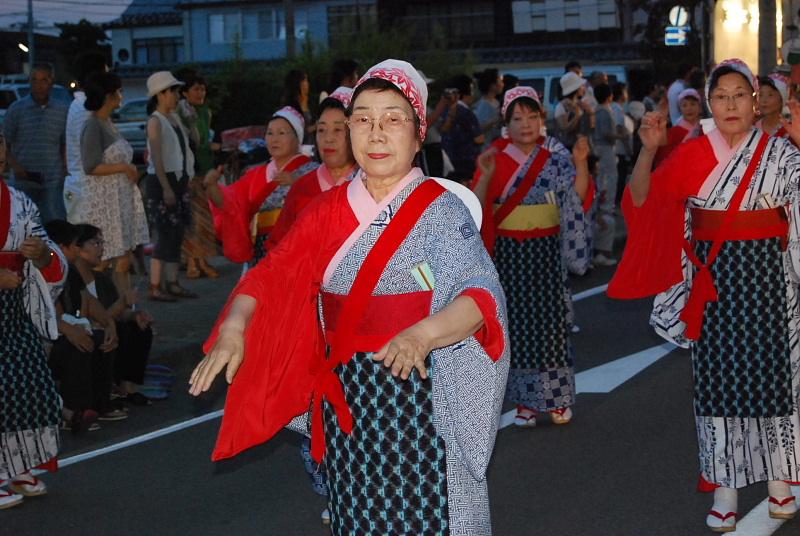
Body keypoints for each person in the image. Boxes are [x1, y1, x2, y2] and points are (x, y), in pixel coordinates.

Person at [190, 59, 509, 535]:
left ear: (419, 134)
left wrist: (422, 334)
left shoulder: (440, 211)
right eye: (362, 119)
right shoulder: (326, 210)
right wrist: (236, 326)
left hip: (419, 399)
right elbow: (270, 275)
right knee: (358, 519)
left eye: (392, 119)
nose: (375, 133)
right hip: (348, 401)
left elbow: (478, 293)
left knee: (431, 518)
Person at [608, 58, 800, 532]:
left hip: (772, 281)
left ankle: (780, 480)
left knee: (778, 379)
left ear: (756, 102)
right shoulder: (694, 153)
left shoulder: (783, 154)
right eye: (721, 96)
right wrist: (649, 152)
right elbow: (644, 202)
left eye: (740, 95)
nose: (730, 104)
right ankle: (725, 490)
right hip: (713, 285)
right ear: (709, 104)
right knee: (718, 387)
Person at [472, 86, 590, 428]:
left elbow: (575, 201)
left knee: (552, 327)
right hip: (510, 253)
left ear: (542, 119)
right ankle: (525, 402)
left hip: (546, 251)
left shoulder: (556, 158)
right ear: (506, 124)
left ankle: (556, 398)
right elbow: (479, 207)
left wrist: (581, 165)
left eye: (532, 116)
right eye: (517, 118)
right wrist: (487, 177)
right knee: (518, 329)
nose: (526, 124)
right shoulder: (495, 157)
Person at [0, 134, 67, 509]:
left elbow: (50, 256)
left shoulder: (20, 202)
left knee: (31, 385)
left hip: (12, 308)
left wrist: (42, 255)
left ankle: (17, 462)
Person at [205, 106, 317, 268]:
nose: (274, 139)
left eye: (281, 133)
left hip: (298, 252)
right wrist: (212, 185)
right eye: (270, 133)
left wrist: (298, 182)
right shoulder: (255, 175)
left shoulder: (312, 170)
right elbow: (230, 204)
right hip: (261, 255)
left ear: (297, 138)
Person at [45, 220, 125, 426]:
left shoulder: (69, 271)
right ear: (62, 247)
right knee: (77, 345)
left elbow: (88, 299)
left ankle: (101, 403)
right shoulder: (41, 273)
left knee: (101, 339)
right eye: (73, 245)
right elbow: (49, 313)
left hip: (69, 329)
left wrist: (109, 323)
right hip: (47, 340)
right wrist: (72, 331)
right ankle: (75, 410)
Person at [76, 71, 149, 296]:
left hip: (120, 199)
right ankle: (106, 309)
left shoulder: (107, 123)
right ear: (108, 95)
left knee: (122, 259)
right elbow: (91, 165)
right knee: (103, 259)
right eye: (118, 91)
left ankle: (126, 309)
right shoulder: (93, 125)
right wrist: (124, 168)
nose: (121, 96)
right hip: (105, 202)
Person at [262, 88, 357, 250]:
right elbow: (278, 247)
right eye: (321, 130)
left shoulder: (374, 187)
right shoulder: (302, 187)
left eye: (338, 130)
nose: (328, 139)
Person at [73, 223, 155, 405]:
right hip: (85, 334)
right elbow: (96, 321)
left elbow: (115, 314)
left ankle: (127, 387)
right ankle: (101, 395)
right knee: (101, 334)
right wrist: (122, 303)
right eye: (96, 243)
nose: (102, 249)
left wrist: (134, 315)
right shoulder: (71, 280)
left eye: (102, 243)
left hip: (105, 332)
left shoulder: (102, 279)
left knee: (138, 328)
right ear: (77, 247)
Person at [142, 71, 197, 302]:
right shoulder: (155, 121)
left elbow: (193, 142)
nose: (176, 96)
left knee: (176, 234)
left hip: (178, 181)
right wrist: (166, 188)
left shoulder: (174, 118)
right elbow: (156, 157)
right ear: (160, 94)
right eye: (173, 91)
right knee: (165, 234)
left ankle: (172, 282)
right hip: (163, 182)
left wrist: (191, 122)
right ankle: (156, 285)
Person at [2, 64, 68, 222]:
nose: (39, 85)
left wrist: (65, 170)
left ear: (51, 82)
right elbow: (4, 143)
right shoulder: (17, 109)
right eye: (34, 80)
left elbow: (65, 144)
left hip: (52, 179)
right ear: (29, 82)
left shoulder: (62, 110)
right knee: (24, 224)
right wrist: (16, 167)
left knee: (55, 224)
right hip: (23, 180)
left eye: (43, 80)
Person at [176, 71, 221, 279]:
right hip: (189, 170)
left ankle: (201, 260)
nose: (200, 92)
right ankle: (192, 262)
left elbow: (203, 139)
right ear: (185, 92)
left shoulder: (205, 112)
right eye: (195, 88)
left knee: (203, 219)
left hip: (204, 168)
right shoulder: (181, 112)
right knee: (192, 218)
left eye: (202, 88)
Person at [64, 52, 108, 222]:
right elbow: (91, 162)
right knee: (88, 244)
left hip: (85, 188)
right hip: (86, 190)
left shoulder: (83, 106)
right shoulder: (85, 110)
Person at [592, 83, 625, 266]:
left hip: (601, 152)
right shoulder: (604, 111)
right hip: (606, 153)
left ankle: (601, 249)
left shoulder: (597, 110)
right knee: (607, 194)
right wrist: (620, 136)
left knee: (604, 193)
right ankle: (603, 250)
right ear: (609, 95)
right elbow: (606, 133)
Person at [440, 74, 485, 183]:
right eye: (472, 90)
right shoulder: (466, 111)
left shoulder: (444, 109)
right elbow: (479, 138)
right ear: (466, 91)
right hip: (467, 161)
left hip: (449, 161)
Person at [653, 88, 703, 167]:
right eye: (684, 105)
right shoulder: (673, 132)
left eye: (693, 104)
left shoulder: (705, 128)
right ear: (680, 110)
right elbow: (663, 157)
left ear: (700, 108)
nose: (689, 108)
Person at [554, 71, 590, 150]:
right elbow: (564, 129)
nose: (583, 88)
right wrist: (577, 116)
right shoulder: (561, 106)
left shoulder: (580, 104)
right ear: (575, 89)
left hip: (580, 146)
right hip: (566, 148)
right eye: (581, 86)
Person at [756, 73, 793, 142]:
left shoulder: (791, 131)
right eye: (761, 95)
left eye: (770, 95)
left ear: (781, 100)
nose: (764, 100)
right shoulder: (751, 128)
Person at [473, 68, 504, 150]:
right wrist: (496, 119)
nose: (502, 84)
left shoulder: (495, 102)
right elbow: (478, 128)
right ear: (492, 86)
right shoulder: (483, 105)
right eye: (500, 81)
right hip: (486, 148)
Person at [284, 69, 315, 144]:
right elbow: (293, 132)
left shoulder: (310, 102)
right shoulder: (291, 107)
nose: (307, 84)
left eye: (307, 81)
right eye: (304, 80)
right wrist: (315, 127)